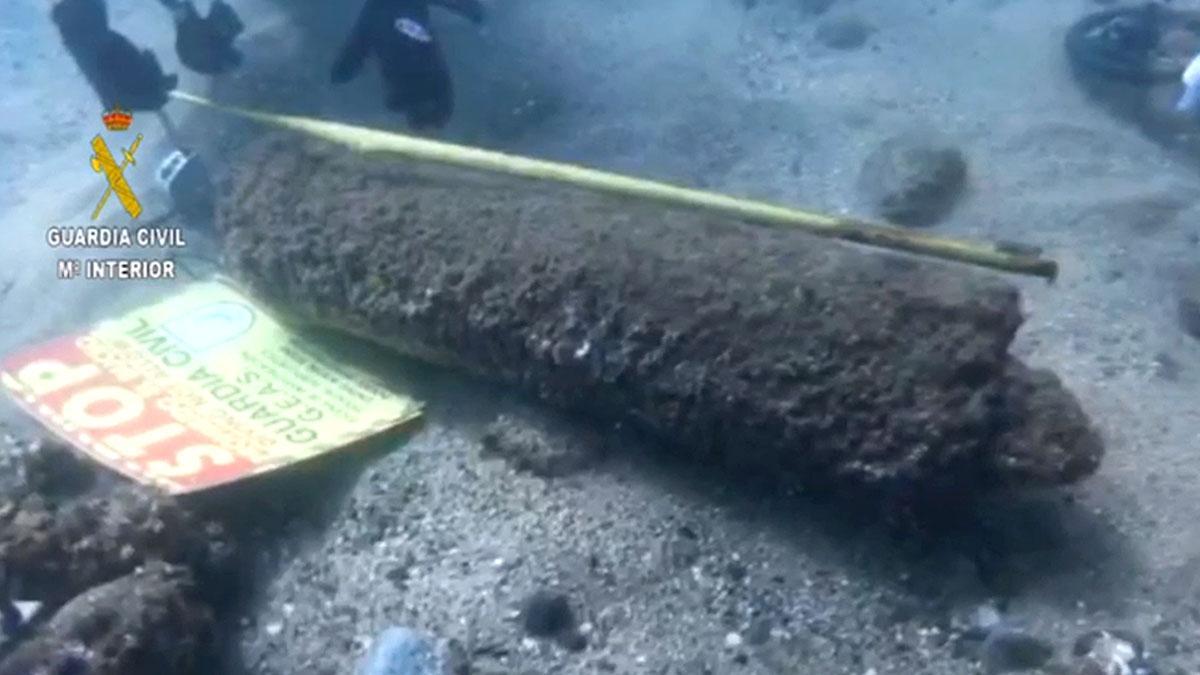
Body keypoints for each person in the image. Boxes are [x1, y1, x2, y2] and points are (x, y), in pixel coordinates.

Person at [331, 0, 485, 130]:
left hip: (418, 87)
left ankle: (423, 112)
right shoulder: (375, 11)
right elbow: (357, 44)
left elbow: (357, 44)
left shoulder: (374, 12)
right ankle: (423, 112)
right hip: (419, 86)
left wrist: (344, 69)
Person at [50, 0, 178, 111]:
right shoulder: (101, 44)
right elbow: (110, 87)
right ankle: (151, 86)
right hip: (128, 94)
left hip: (130, 89)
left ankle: (151, 85)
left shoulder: (100, 40)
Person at [158, 0, 244, 75]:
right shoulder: (219, 55)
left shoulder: (215, 56)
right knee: (182, 11)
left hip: (191, 41)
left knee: (181, 11)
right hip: (192, 40)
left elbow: (219, 38)